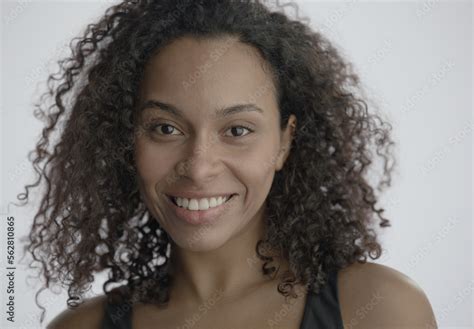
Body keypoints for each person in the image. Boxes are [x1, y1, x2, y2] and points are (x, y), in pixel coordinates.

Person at [18, 1, 437, 328]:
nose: (199, 168)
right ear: (125, 140)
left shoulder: (378, 310)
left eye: (237, 130)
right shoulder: (79, 328)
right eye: (165, 128)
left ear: (284, 142)